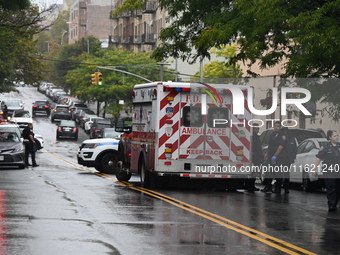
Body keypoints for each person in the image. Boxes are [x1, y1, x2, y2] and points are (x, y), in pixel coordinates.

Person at [311, 130, 340, 211]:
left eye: (337, 135)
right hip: (329, 171)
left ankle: (335, 202)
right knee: (331, 187)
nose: (337, 137)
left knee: (337, 188)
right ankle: (331, 204)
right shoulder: (325, 147)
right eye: (334, 136)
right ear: (330, 137)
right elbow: (318, 158)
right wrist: (314, 168)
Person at [262, 121, 286, 193]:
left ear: (280, 127)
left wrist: (275, 156)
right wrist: (267, 153)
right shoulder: (273, 134)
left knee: (278, 173)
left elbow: (281, 146)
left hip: (278, 157)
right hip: (271, 155)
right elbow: (270, 145)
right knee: (269, 172)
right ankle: (268, 187)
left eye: (278, 126)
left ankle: (277, 189)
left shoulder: (282, 135)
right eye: (275, 126)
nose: (276, 128)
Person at [244, 123, 262, 191]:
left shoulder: (256, 137)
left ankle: (250, 185)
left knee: (254, 172)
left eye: (258, 129)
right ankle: (250, 186)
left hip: (256, 157)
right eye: (256, 129)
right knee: (253, 172)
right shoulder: (252, 137)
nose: (257, 130)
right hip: (254, 158)